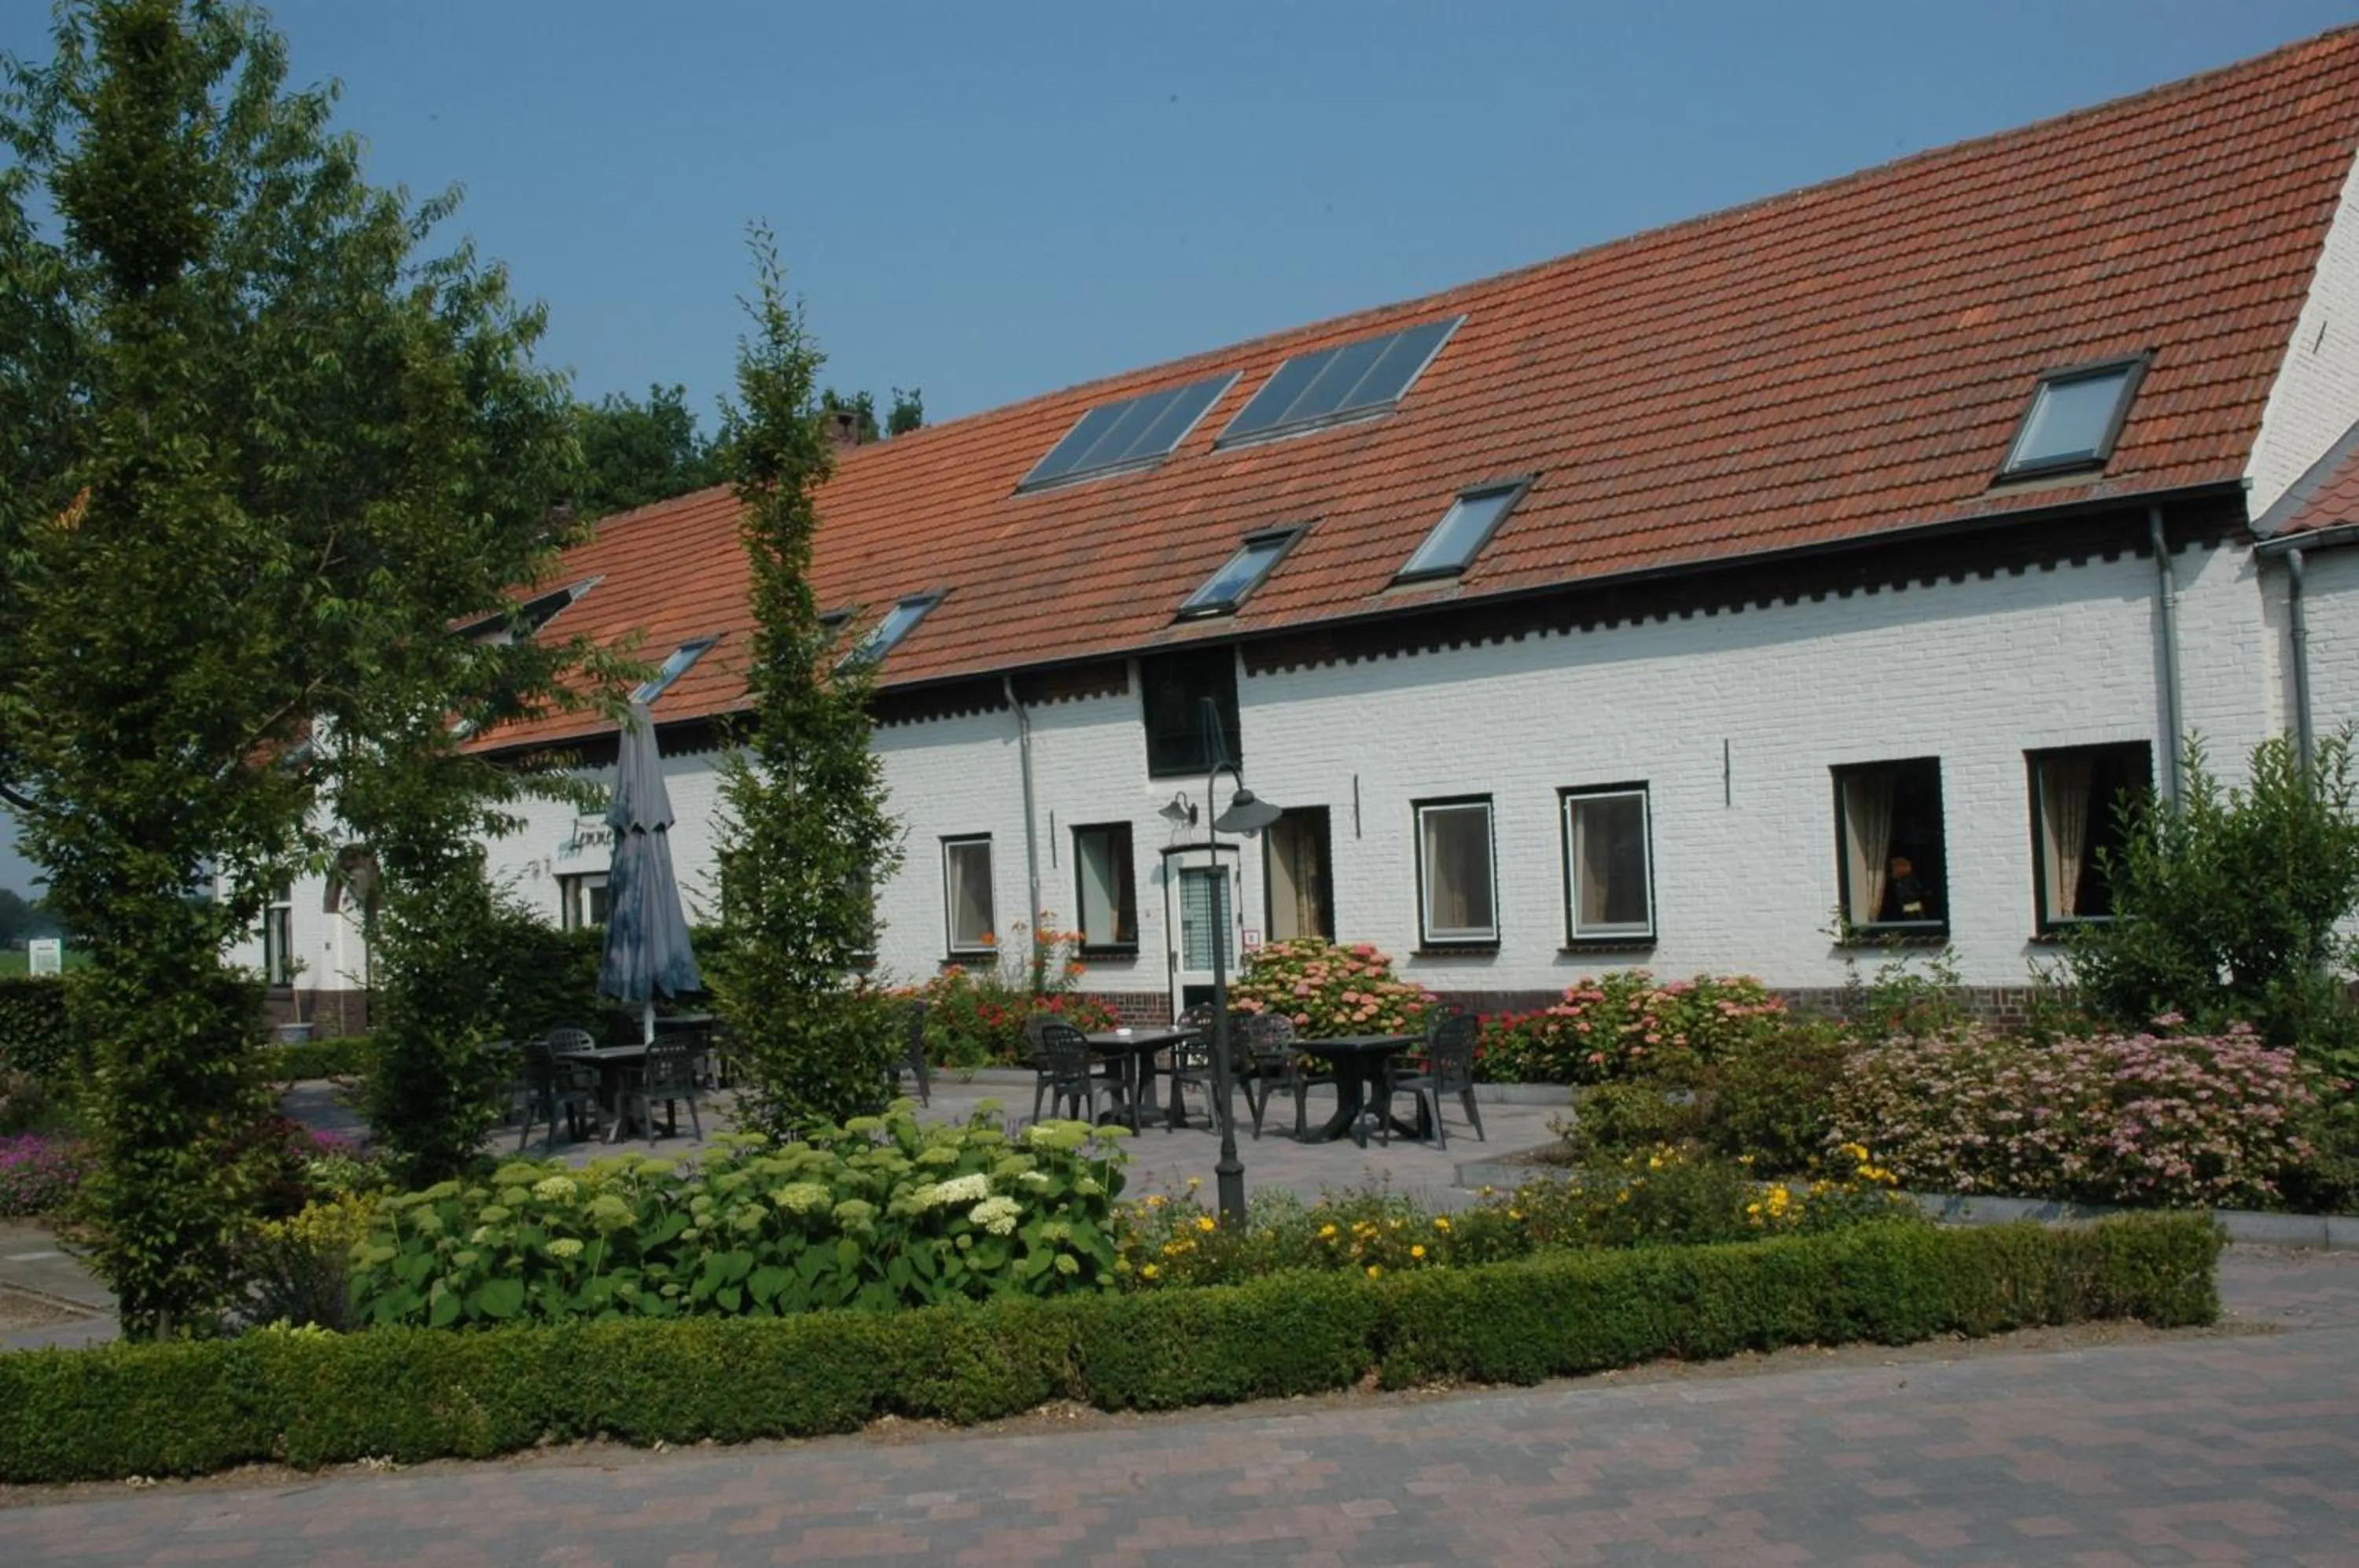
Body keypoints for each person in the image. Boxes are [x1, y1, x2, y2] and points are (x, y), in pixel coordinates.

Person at [1882, 855, 1936, 923]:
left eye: (1894, 868)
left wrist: (1918, 894)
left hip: (1911, 904)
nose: (1892, 870)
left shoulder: (1910, 879)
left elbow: (1919, 889)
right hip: (1901, 906)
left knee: (1915, 920)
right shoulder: (1894, 882)